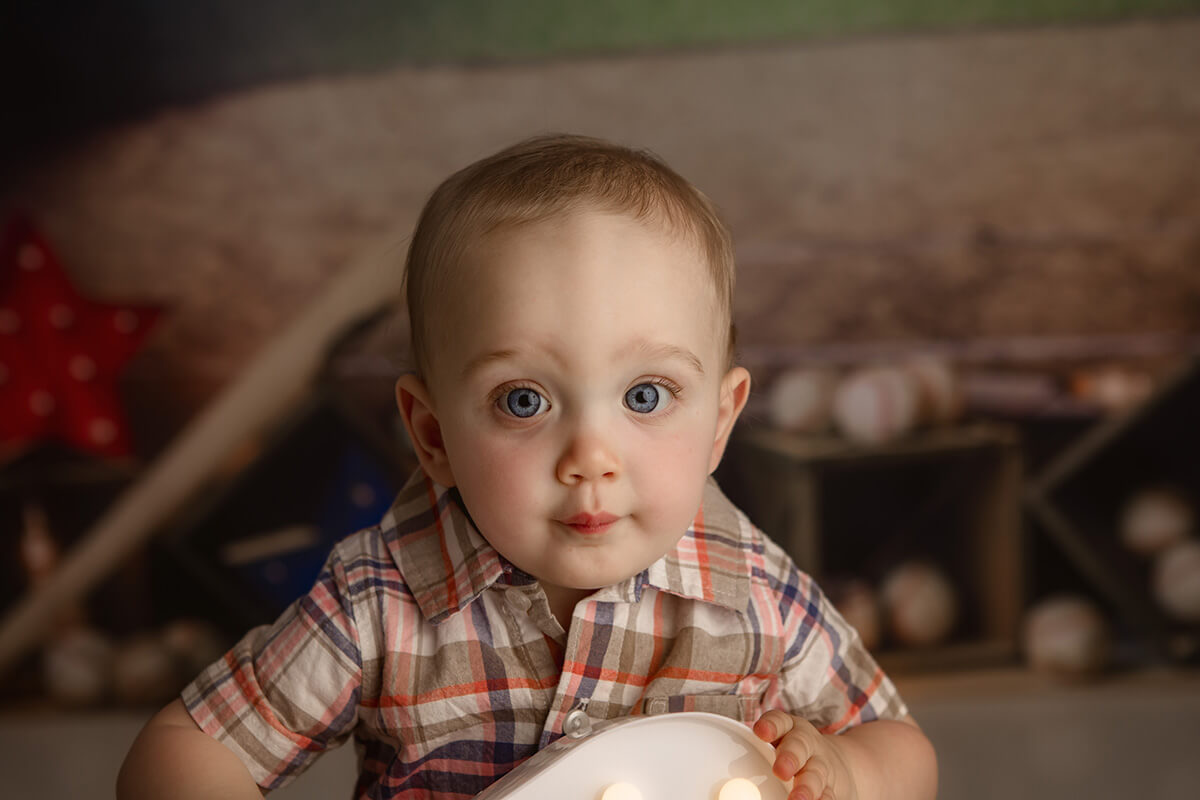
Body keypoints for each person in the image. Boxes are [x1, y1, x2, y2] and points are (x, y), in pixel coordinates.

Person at [118, 134, 937, 800]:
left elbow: (900, 746)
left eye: (646, 396)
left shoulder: (753, 590)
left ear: (721, 421)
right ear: (432, 435)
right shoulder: (382, 600)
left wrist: (847, 770)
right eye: (523, 402)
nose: (591, 459)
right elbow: (185, 753)